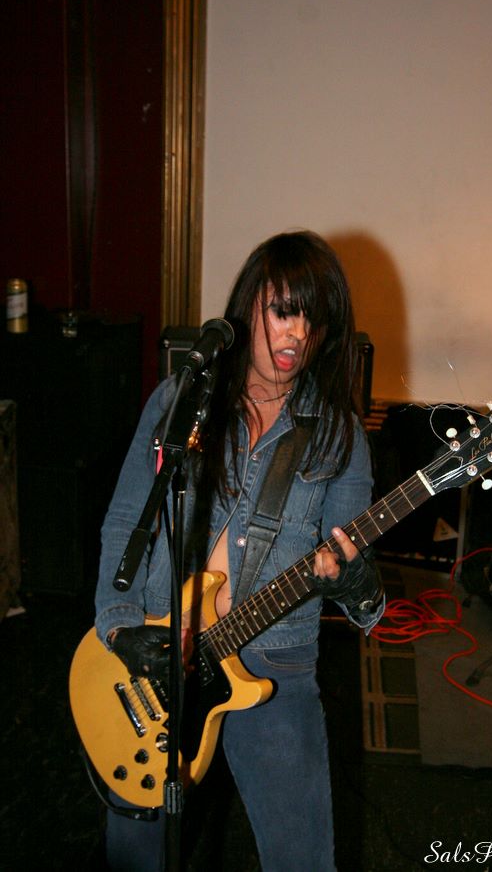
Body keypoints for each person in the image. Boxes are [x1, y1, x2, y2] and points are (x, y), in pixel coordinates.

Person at [94, 230, 385, 871]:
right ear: (248, 305)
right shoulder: (180, 404)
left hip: (273, 669)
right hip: (159, 652)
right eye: (284, 310)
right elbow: (125, 524)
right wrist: (118, 628)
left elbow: (361, 589)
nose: (297, 334)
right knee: (135, 857)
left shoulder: (338, 436)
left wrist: (352, 581)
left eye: (313, 320)